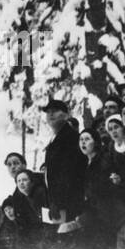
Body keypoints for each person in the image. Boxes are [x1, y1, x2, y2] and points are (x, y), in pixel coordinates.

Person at [41, 98, 86, 239]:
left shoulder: (70, 138)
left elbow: (69, 174)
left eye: (55, 111)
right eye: (48, 112)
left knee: (69, 241)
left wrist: (58, 202)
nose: (51, 115)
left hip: (69, 202)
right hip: (59, 202)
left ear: (66, 115)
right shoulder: (56, 138)